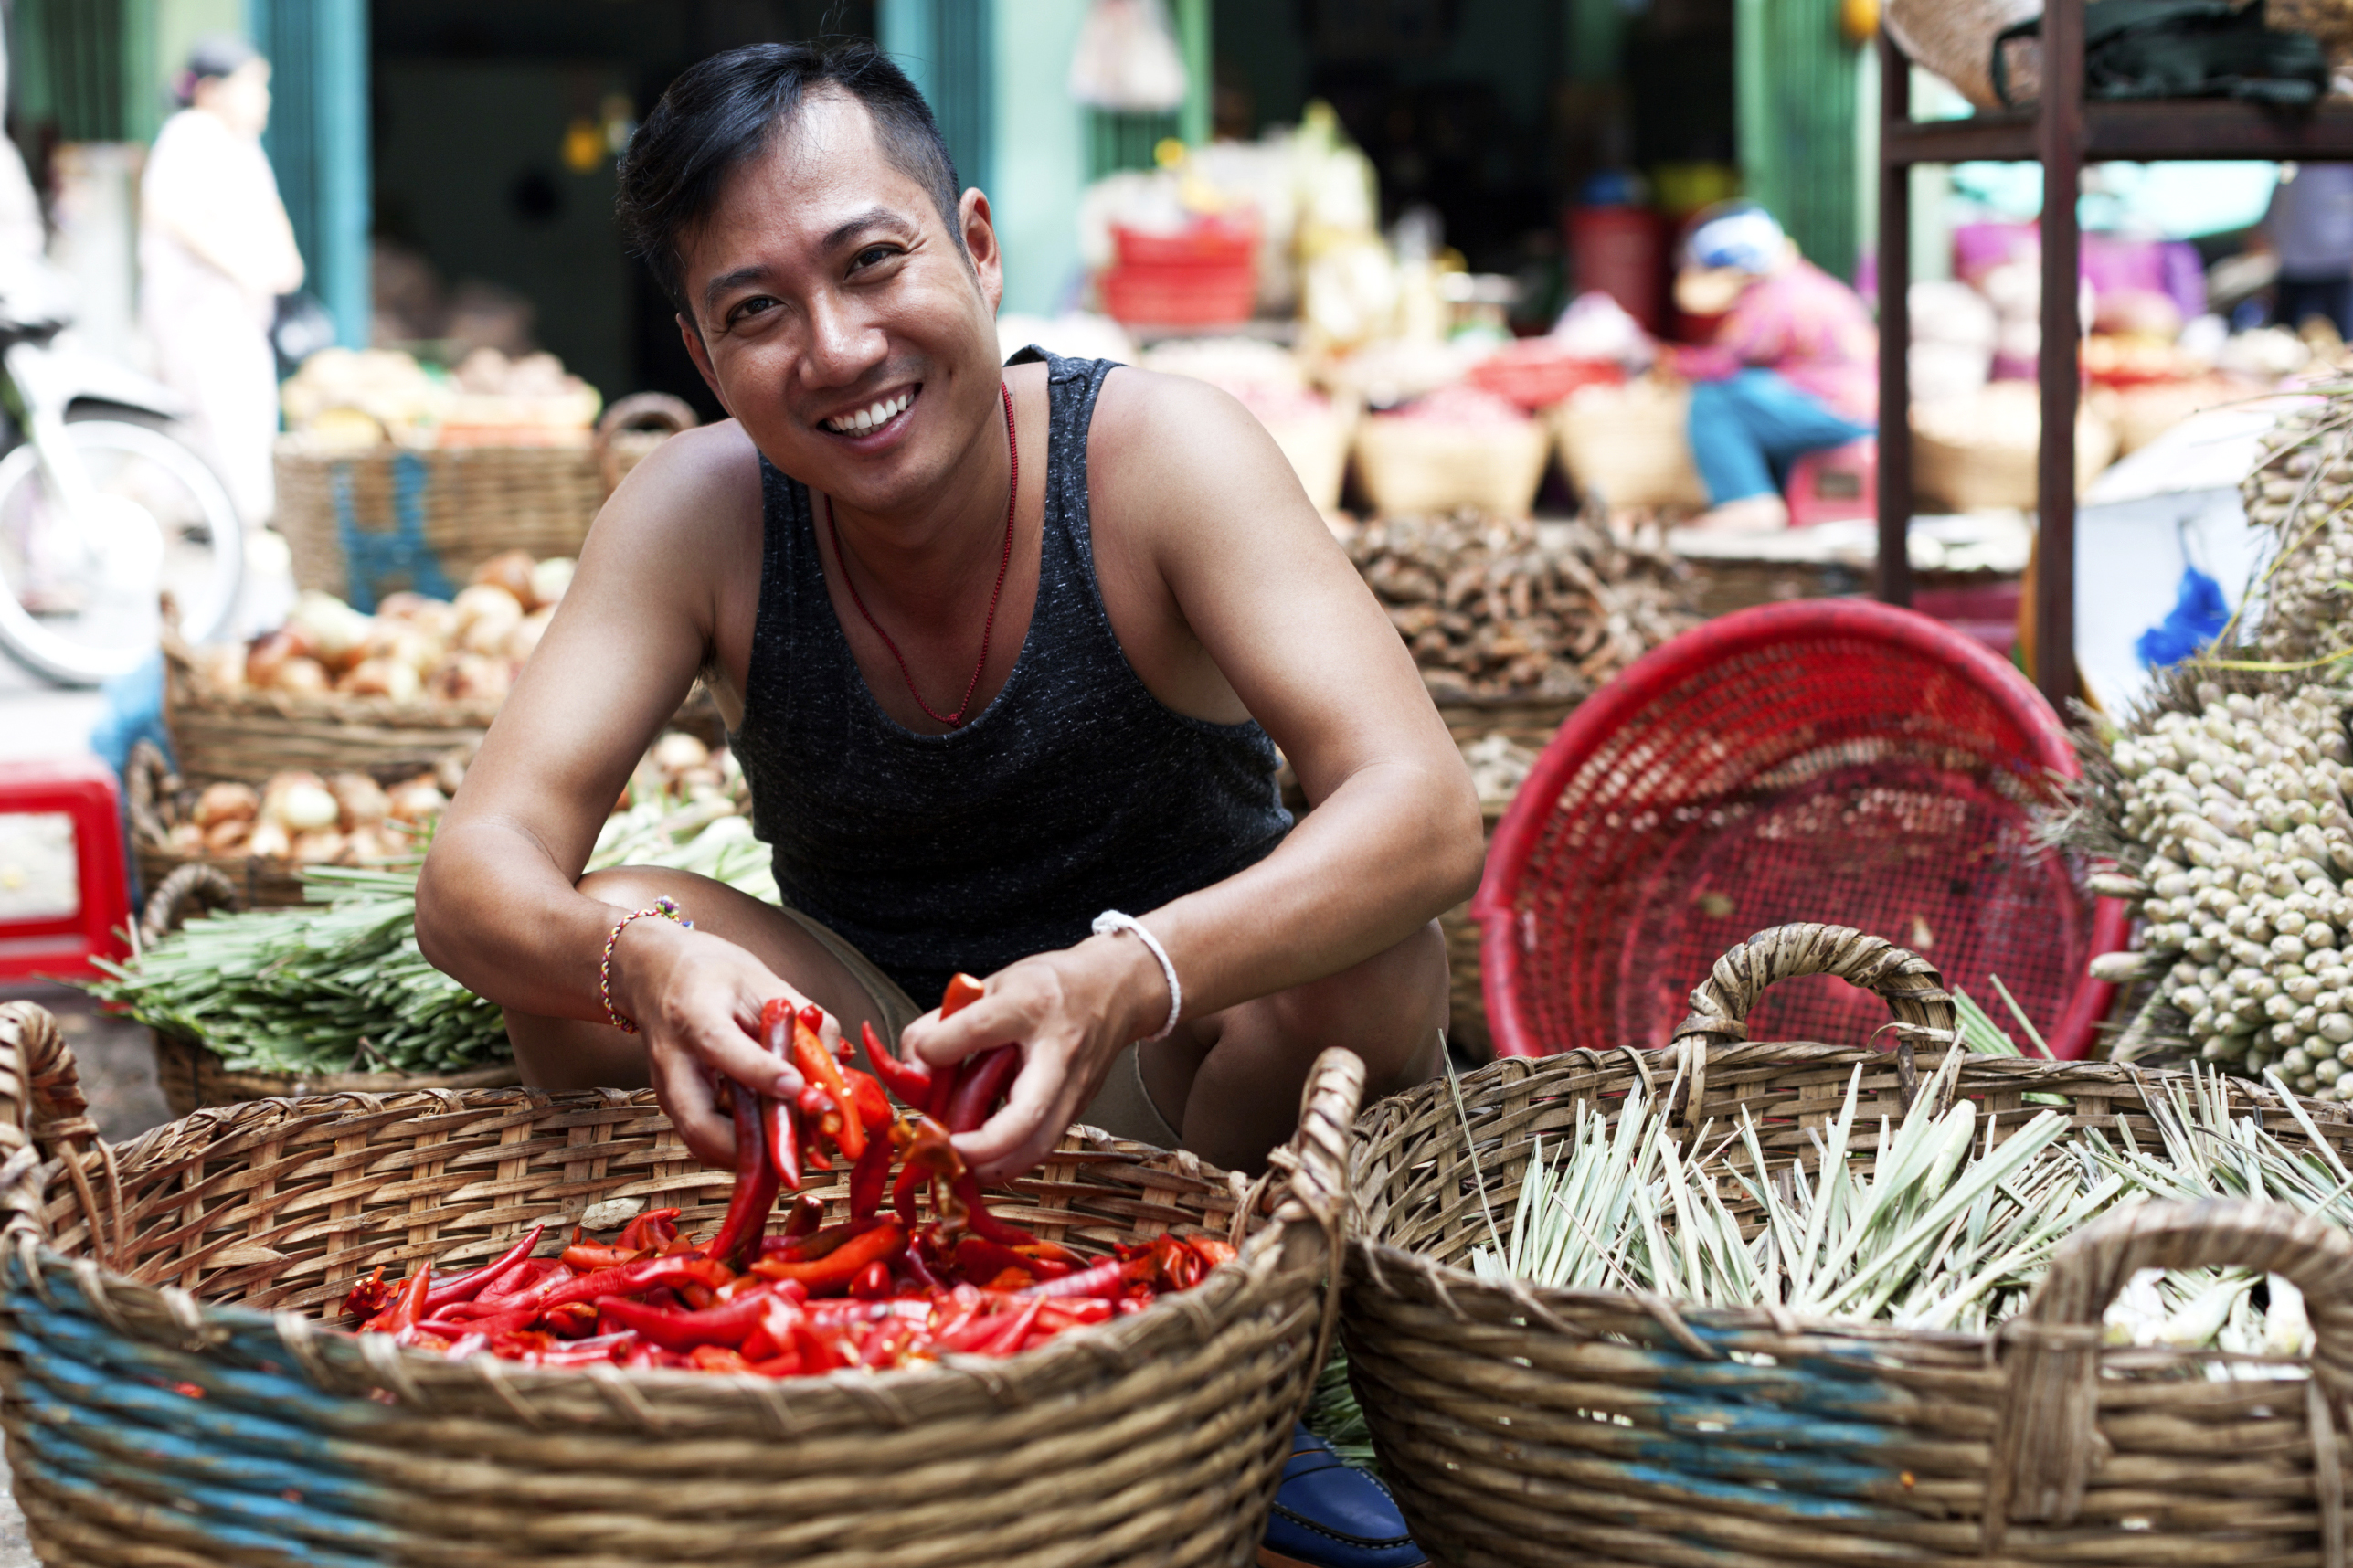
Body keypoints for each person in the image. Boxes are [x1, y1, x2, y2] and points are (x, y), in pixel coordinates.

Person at [418, 42, 1464, 1564]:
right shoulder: (695, 512)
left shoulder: (1157, 455)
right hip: (899, 1104)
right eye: (757, 312)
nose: (836, 349)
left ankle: (1255, 1358)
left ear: (975, 247)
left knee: (1369, 953)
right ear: (706, 360)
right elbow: (474, 875)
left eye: (872, 263)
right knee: (594, 946)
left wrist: (1122, 978)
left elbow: (1425, 809)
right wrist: (638, 965)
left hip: (1204, 1085)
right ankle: (857, 1311)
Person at [139, 36, 303, 528]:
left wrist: (285, 264)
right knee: (222, 426)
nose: (263, 98)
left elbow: (272, 217)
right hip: (199, 313)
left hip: (237, 316)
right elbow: (174, 215)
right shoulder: (190, 134)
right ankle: (235, 536)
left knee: (240, 424)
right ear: (210, 91)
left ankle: (227, 533)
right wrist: (245, 269)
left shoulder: (243, 145)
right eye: (253, 86)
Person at [1669, 202, 1876, 532]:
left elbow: (1722, 364)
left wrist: (1655, 358)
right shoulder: (1813, 284)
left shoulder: (1773, 297)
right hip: (1859, 412)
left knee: (1715, 399)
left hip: (1839, 413)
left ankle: (1746, 502)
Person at [2261, 162, 2353, 341]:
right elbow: (2271, 217)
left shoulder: (2343, 164)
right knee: (2283, 341)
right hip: (2292, 267)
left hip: (2337, 266)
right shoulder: (2290, 167)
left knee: (2344, 343)